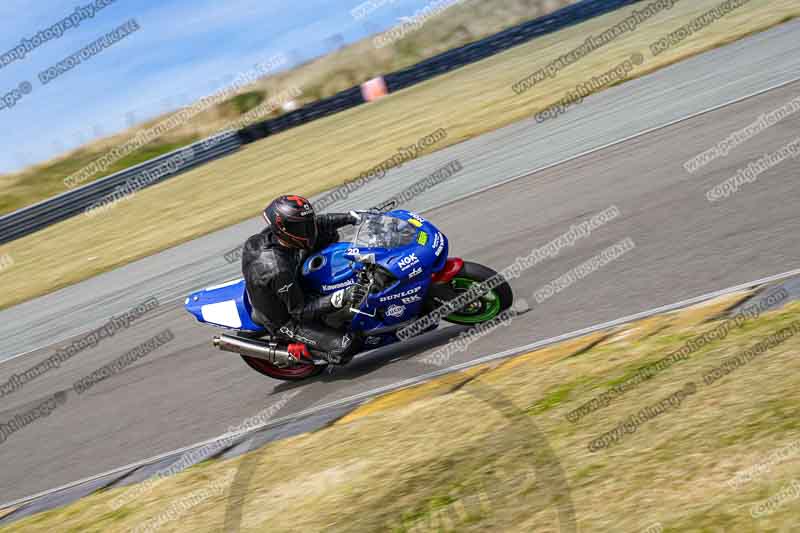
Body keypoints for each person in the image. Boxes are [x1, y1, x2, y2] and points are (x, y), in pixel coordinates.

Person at [242, 195, 361, 365]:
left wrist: (350, 217)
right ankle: (308, 354)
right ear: (283, 228)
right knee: (348, 345)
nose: (308, 230)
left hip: (286, 280)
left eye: (307, 224)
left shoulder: (278, 233)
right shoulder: (277, 269)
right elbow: (299, 311)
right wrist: (343, 296)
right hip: (286, 318)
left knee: (329, 234)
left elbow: (318, 223)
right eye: (302, 227)